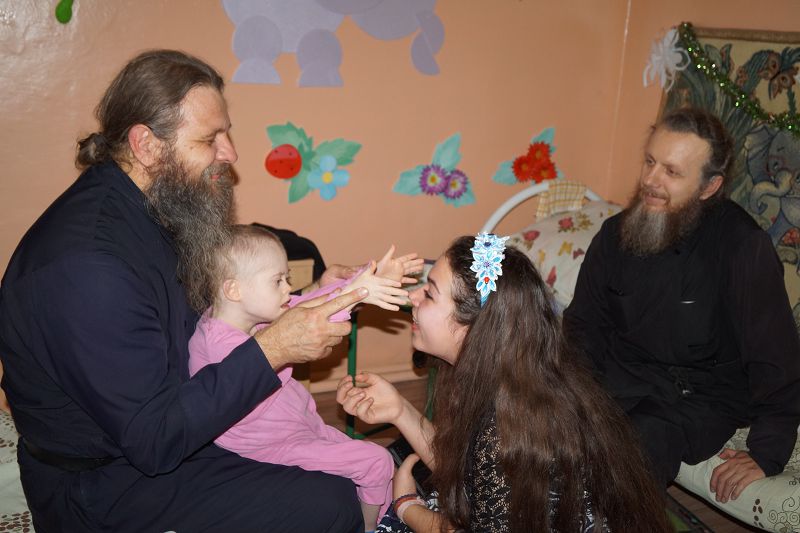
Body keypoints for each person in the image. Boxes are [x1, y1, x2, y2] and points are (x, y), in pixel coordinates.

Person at [0, 49, 370, 532]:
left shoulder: (157, 207)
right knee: (331, 502)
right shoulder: (89, 267)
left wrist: (308, 295)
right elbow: (153, 440)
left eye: (227, 133)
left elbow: (210, 315)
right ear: (146, 145)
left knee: (334, 463)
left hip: (168, 432)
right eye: (210, 139)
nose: (230, 153)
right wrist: (274, 347)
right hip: (100, 483)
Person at [338, 234, 671, 532]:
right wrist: (399, 410)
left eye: (430, 293)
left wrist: (408, 507)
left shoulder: (505, 430)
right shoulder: (507, 380)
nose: (413, 297)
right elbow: (472, 474)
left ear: (472, 328)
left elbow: (485, 480)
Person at [563, 107, 800, 501]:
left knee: (636, 444)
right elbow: (584, 326)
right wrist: (568, 393)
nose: (651, 180)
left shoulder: (743, 248)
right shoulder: (615, 233)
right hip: (623, 373)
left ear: (709, 187)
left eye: (672, 172)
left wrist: (767, 451)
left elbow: (775, 357)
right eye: (650, 162)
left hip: (700, 395)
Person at [188, 224, 424, 531]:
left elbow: (305, 307)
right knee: (376, 462)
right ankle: (370, 527)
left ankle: (378, 513)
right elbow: (307, 316)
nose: (288, 289)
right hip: (274, 443)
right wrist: (358, 291)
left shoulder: (240, 320)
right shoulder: (221, 345)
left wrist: (363, 284)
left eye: (287, 278)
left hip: (300, 425)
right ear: (234, 290)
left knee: (373, 468)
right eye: (278, 281)